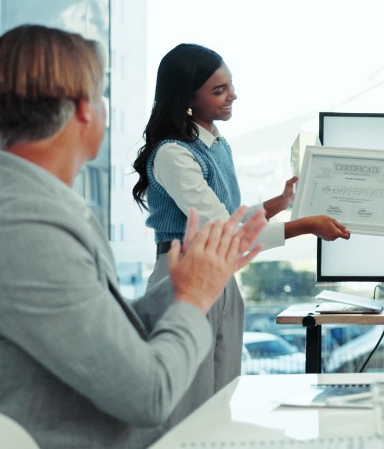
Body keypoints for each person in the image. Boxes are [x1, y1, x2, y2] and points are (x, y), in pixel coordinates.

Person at [0, 24, 267, 447]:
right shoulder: (28, 226)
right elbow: (148, 394)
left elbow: (99, 335)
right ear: (84, 109)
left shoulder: (42, 209)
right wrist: (194, 298)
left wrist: (182, 288)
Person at [130, 43, 351, 426]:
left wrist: (279, 202)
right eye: (219, 90)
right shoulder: (172, 153)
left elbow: (230, 217)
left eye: (230, 85)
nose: (232, 95)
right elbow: (223, 229)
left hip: (219, 277)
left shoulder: (217, 146)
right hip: (182, 277)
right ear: (186, 98)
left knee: (220, 397)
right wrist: (305, 225)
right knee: (188, 407)